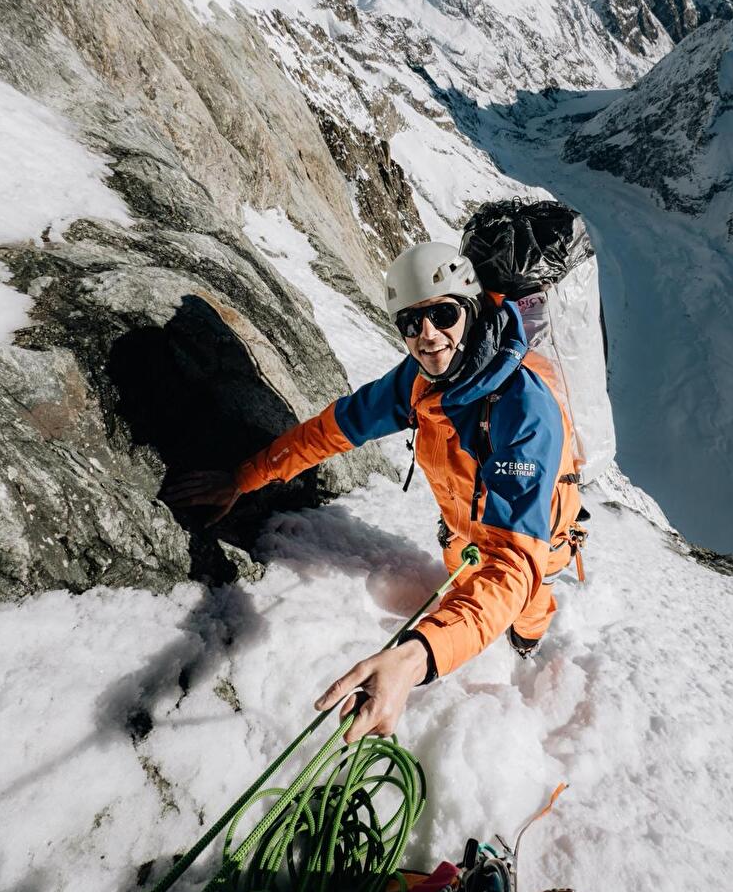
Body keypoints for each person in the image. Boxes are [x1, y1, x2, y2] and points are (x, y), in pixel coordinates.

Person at [164, 241, 582, 742]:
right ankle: (484, 633)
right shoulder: (420, 383)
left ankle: (527, 647)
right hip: (462, 528)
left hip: (536, 536)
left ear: (471, 311)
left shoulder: (524, 413)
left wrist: (414, 659)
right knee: (465, 581)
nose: (427, 336)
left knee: (523, 605)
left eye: (443, 314)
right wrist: (243, 478)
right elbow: (332, 430)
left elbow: (514, 565)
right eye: (410, 322)